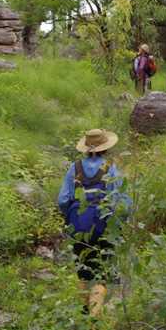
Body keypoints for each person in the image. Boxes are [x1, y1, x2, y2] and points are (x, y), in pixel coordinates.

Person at [57, 129, 130, 316]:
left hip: (78, 227)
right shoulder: (111, 168)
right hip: (103, 227)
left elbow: (63, 200)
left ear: (86, 148)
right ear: (105, 147)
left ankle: (83, 317)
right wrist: (120, 223)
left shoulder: (75, 168)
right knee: (101, 275)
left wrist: (73, 219)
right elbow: (123, 203)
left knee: (83, 271)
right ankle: (94, 323)